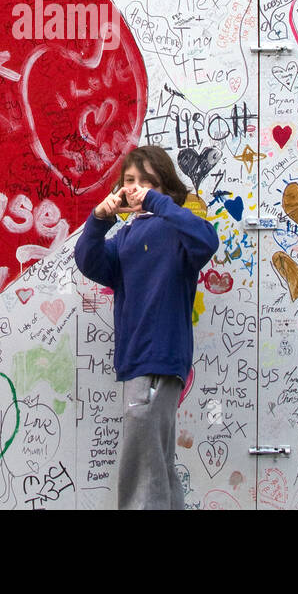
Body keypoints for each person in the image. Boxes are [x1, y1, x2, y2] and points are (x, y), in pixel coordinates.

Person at [74, 145, 218, 509]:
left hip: (157, 360)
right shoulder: (124, 237)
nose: (136, 189)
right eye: (129, 182)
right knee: (157, 464)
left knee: (142, 468)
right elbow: (89, 260)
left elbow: (207, 238)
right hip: (137, 361)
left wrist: (158, 204)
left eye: (148, 182)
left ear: (166, 188)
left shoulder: (176, 231)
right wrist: (99, 219)